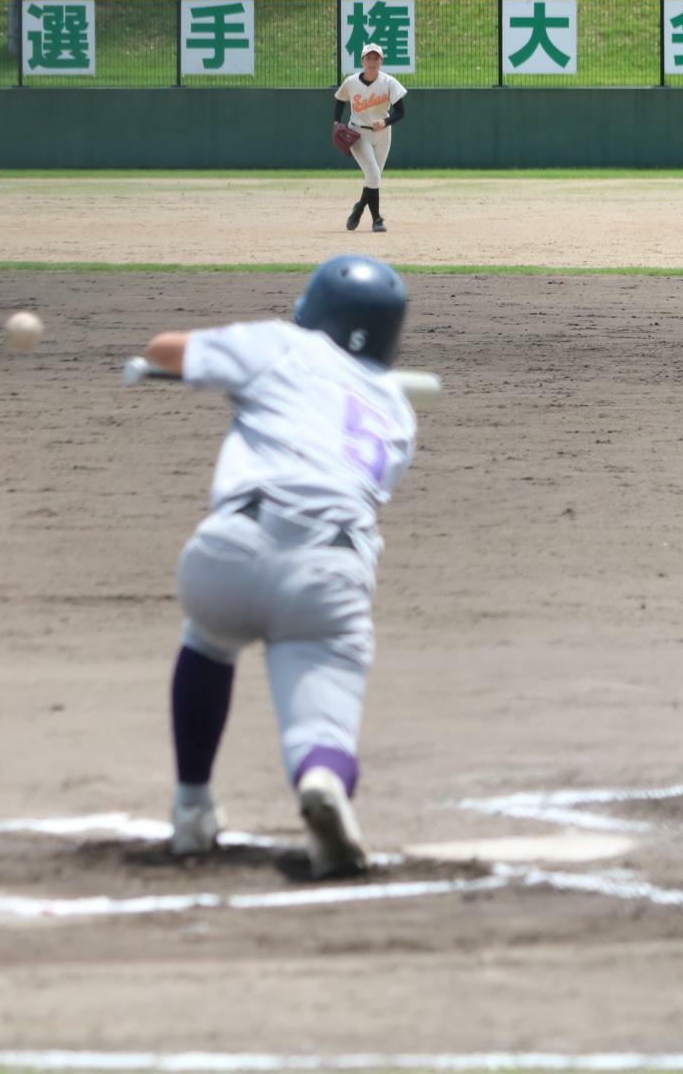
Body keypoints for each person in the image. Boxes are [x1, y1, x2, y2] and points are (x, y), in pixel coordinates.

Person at [147, 256, 419, 880]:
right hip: (331, 573)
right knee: (323, 712)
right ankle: (321, 779)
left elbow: (165, 350)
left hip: (230, 554)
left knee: (209, 639)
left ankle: (191, 811)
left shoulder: (283, 345)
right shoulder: (398, 414)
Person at [333, 43, 406, 234]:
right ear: (362, 61)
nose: (372, 62)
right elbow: (340, 99)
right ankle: (377, 220)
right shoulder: (351, 82)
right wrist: (335, 122)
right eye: (369, 58)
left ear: (381, 61)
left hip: (383, 134)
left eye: (376, 58)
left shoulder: (389, 82)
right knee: (373, 174)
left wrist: (386, 121)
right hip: (358, 133)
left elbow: (401, 113)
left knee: (374, 178)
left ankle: (359, 207)